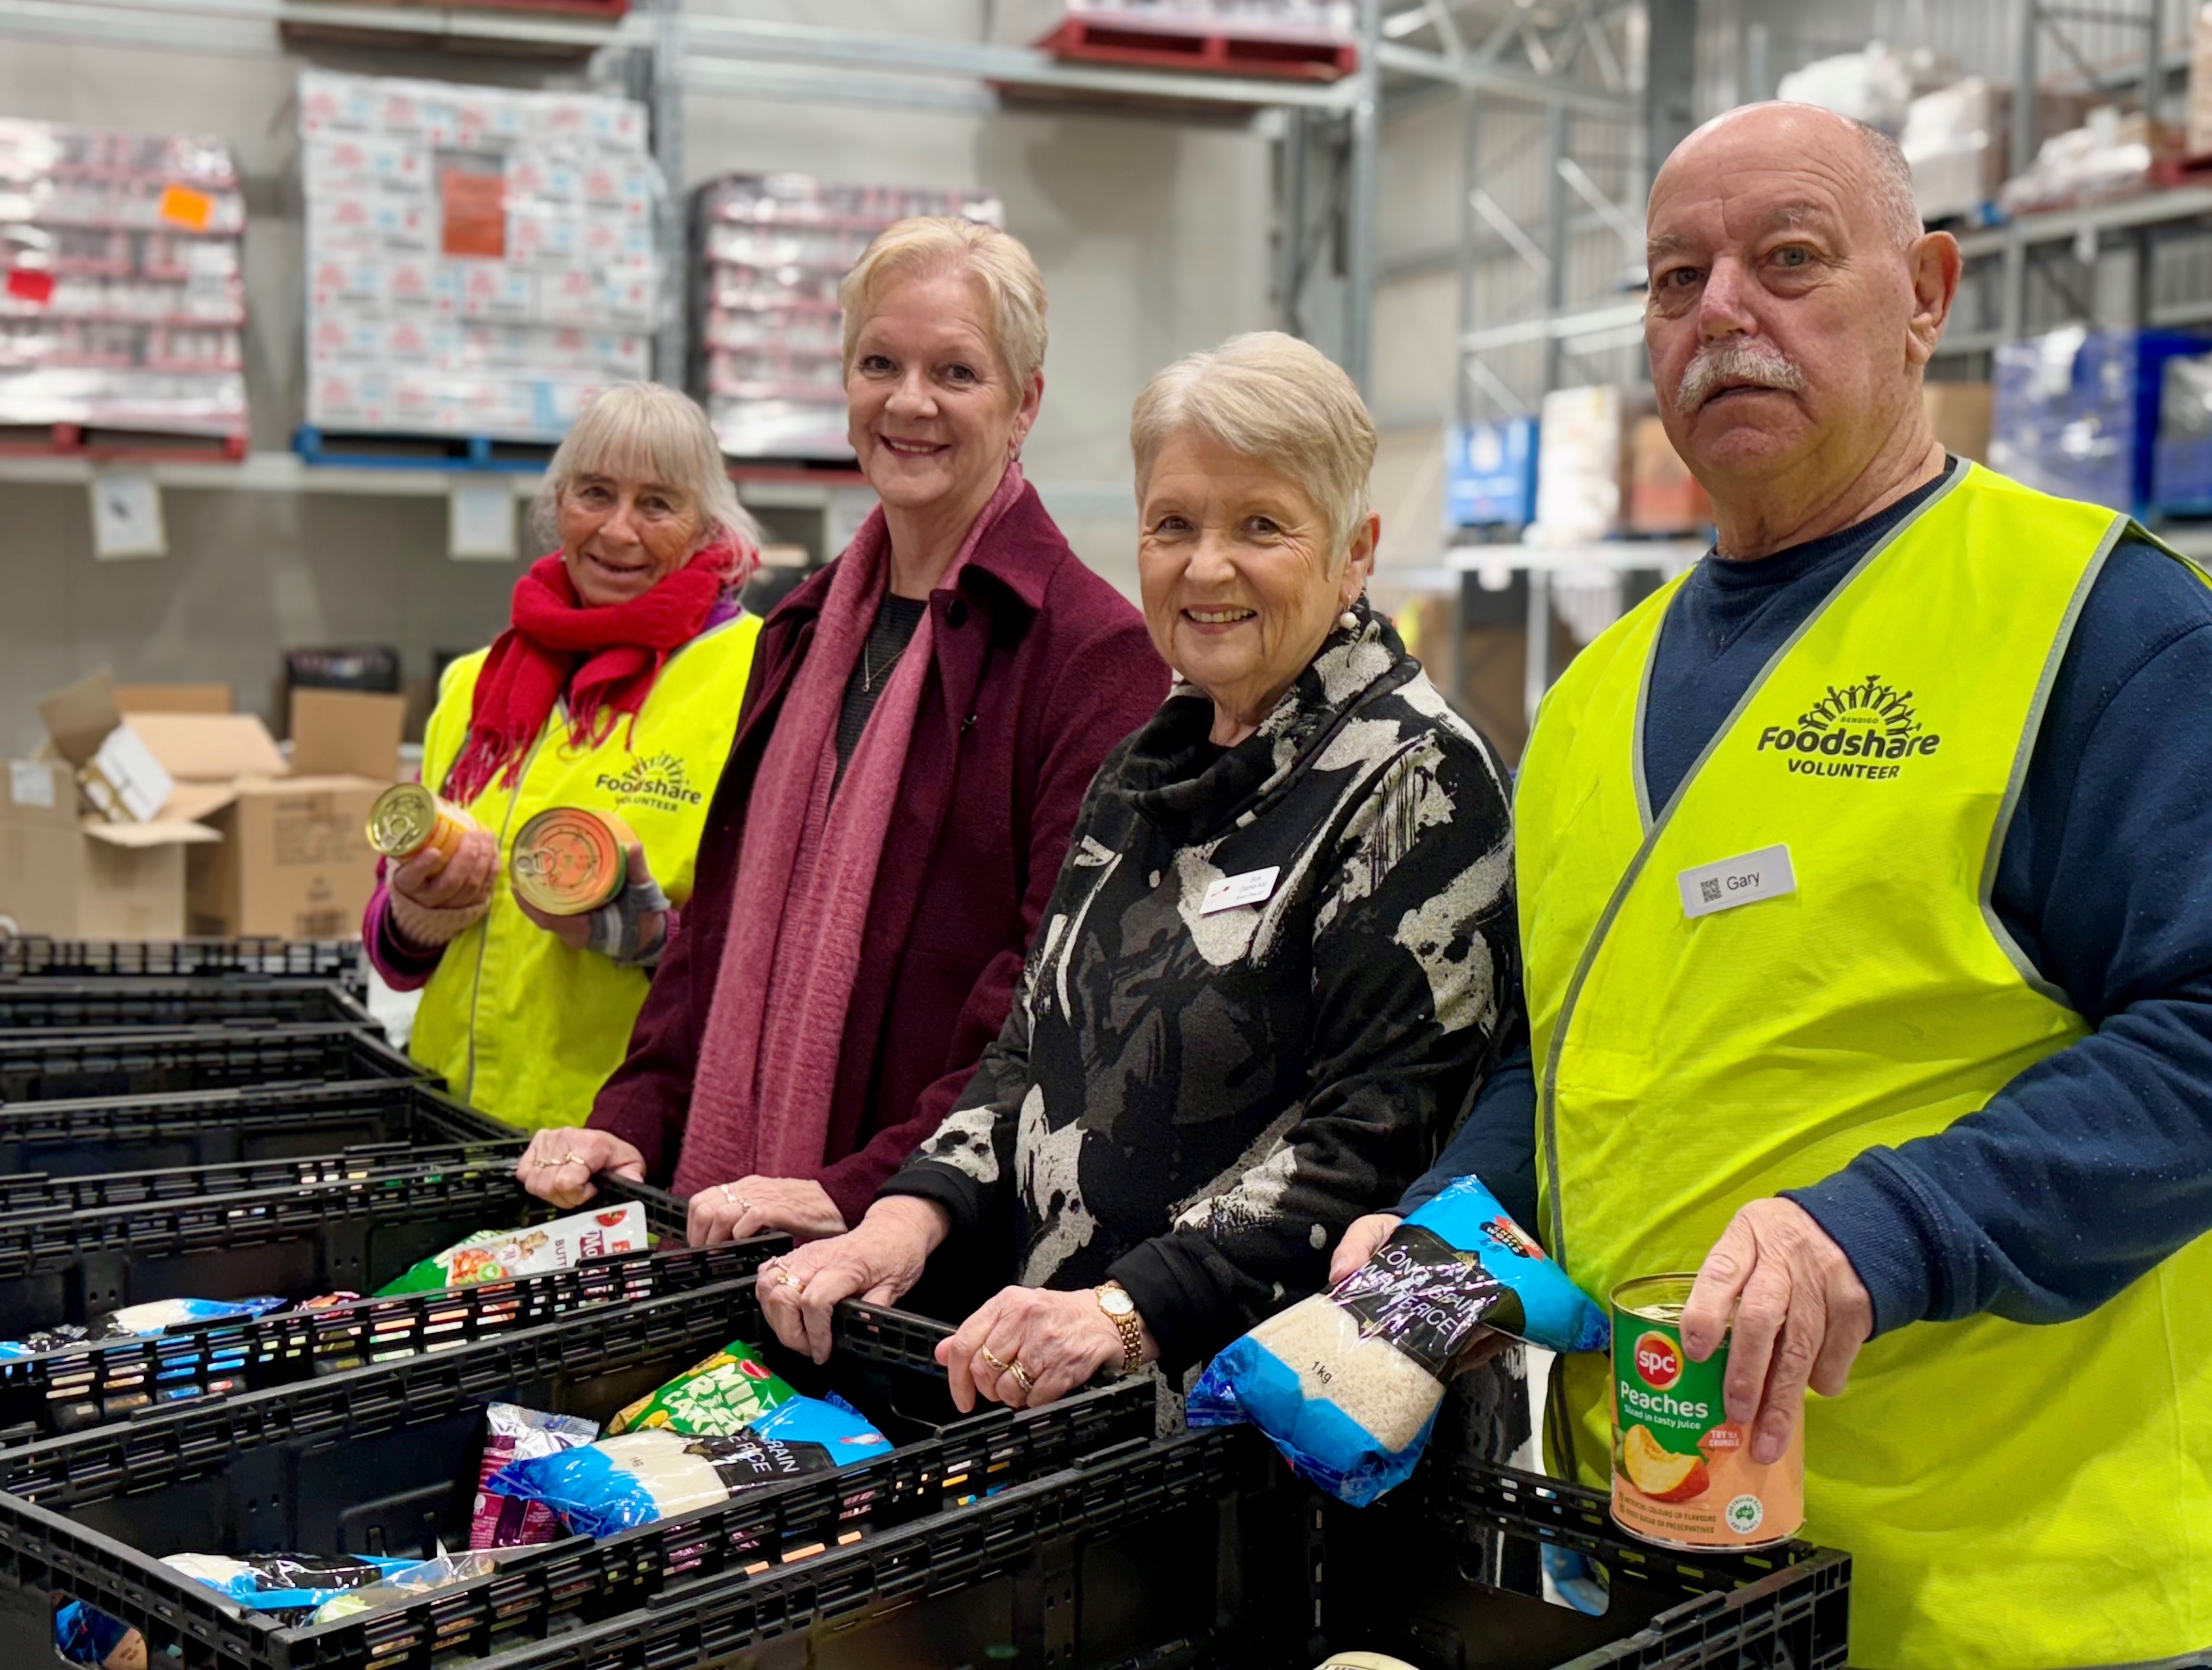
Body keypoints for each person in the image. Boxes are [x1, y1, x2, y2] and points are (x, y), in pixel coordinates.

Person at [1337, 102, 2212, 1670]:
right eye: (1677, 280)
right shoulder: (1595, 702)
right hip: (1688, 1551)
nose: (1723, 312)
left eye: (1792, 260)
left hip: (2035, 1590)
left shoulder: (2090, 620)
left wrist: (1888, 1228)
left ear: (1927, 293)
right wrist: (1444, 1243)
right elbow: (1579, 1068)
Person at [757, 331, 1525, 1415]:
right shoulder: (1145, 765)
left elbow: (1378, 1135)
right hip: (1075, 1399)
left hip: (1281, 1435)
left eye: (1260, 525)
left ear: (1356, 549)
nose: (1205, 566)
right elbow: (1032, 1040)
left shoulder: (1413, 775)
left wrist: (1122, 1310)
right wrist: (906, 1213)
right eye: (1173, 525)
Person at [514, 218, 1170, 1247]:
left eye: (955, 370)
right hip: (731, 1222)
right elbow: (711, 940)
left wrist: (869, 1189)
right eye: (880, 363)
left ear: (1023, 403)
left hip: (934, 1258)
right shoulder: (802, 630)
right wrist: (628, 1119)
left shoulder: (1090, 656)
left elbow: (1054, 997)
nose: (909, 402)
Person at [366, 382, 765, 1134]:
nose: (618, 532)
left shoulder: (756, 679)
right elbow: (393, 957)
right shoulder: (475, 685)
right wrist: (418, 913)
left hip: (619, 1146)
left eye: (657, 504)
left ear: (708, 525)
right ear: (556, 507)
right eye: (595, 493)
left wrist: (650, 941)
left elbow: (780, 964)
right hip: (451, 1122)